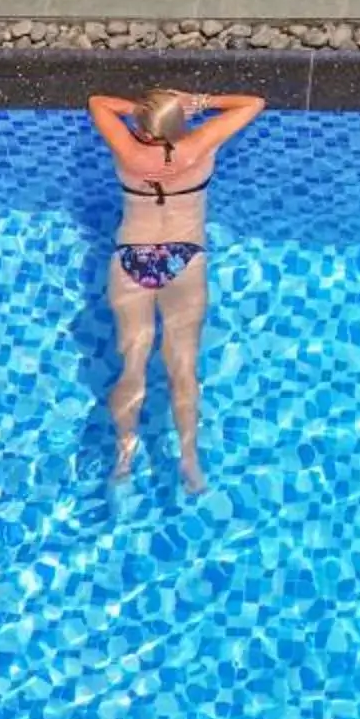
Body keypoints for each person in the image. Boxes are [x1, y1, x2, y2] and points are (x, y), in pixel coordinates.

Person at [87, 86, 266, 491]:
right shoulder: (199, 146)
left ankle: (125, 454)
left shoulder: (130, 153)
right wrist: (194, 103)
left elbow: (99, 102)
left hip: (132, 257)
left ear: (144, 129)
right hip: (184, 258)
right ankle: (188, 460)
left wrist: (141, 109)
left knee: (133, 365)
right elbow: (253, 103)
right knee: (182, 366)